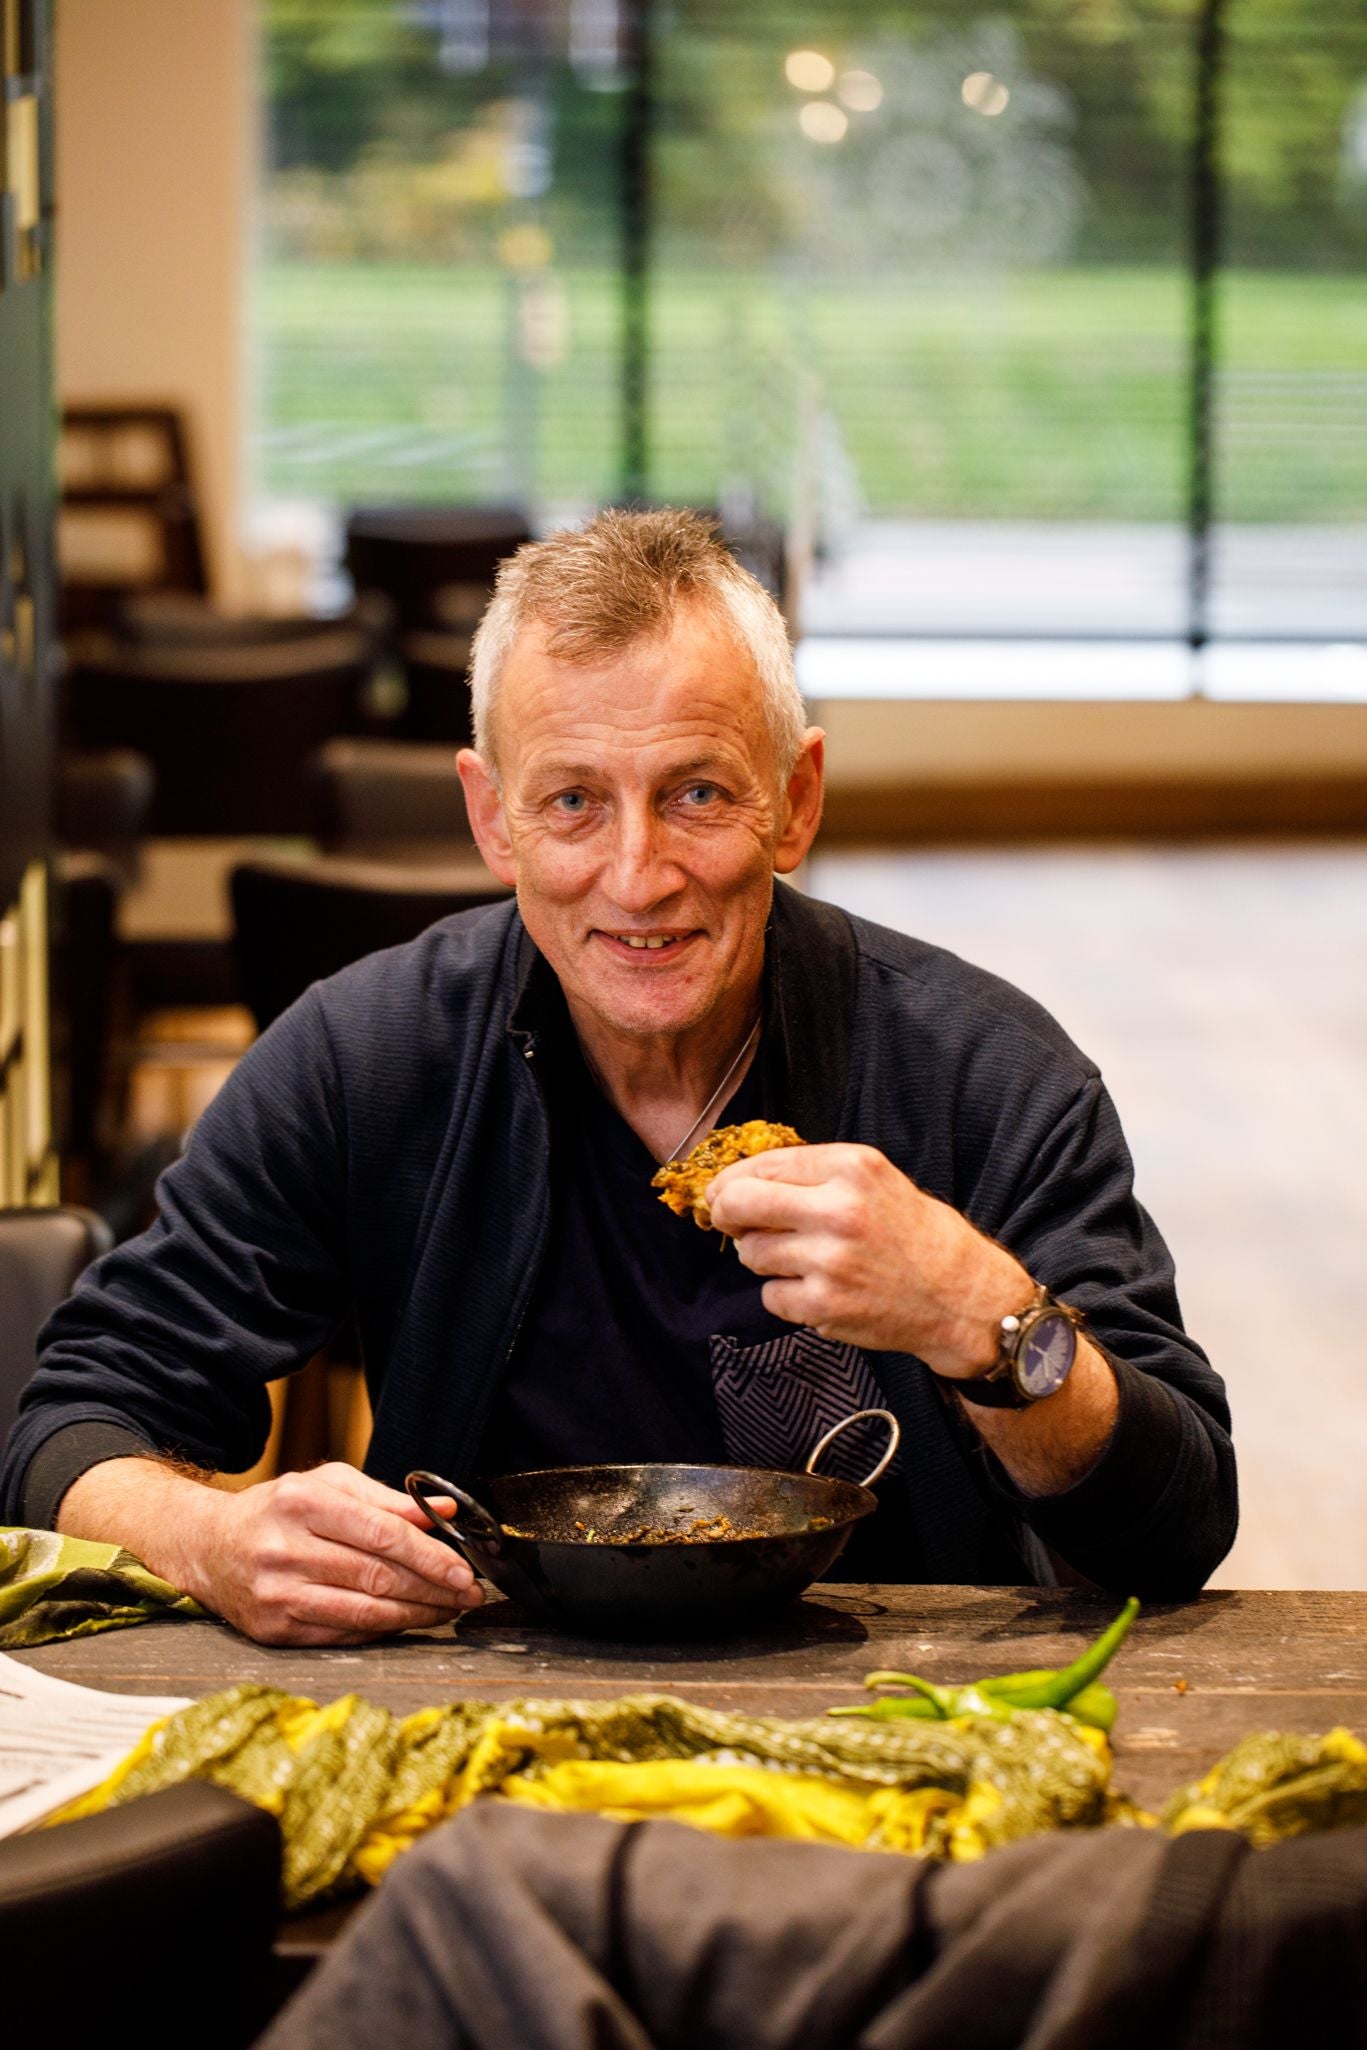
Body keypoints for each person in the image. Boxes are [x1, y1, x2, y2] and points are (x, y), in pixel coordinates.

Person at [1, 509, 1236, 1643]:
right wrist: (209, 1535)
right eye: (574, 802)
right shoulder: (367, 1055)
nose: (637, 877)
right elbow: (65, 1425)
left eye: (696, 793)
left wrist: (983, 1317)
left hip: (900, 1714)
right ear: (491, 819)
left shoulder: (978, 1070)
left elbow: (1176, 1526)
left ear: (794, 801)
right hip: (463, 1709)